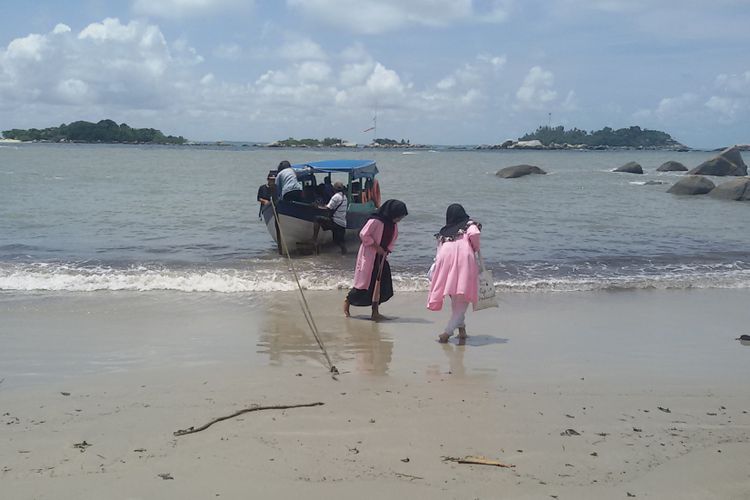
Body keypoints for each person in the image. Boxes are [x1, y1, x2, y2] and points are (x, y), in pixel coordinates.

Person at [344, 199, 408, 321]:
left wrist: (387, 250)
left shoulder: (393, 224)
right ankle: (347, 301)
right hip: (370, 255)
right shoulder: (375, 221)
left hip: (382, 257)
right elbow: (363, 234)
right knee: (365, 285)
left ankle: (375, 312)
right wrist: (376, 247)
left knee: (382, 285)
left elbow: (393, 238)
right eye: (398, 217)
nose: (399, 220)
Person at [427, 204, 481, 343]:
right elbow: (475, 233)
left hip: (444, 259)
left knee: (456, 297)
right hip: (464, 259)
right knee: (462, 299)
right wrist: (475, 247)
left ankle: (462, 331)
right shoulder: (469, 225)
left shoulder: (445, 231)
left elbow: (438, 249)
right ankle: (447, 333)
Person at [312, 181, 348, 254]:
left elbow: (327, 209)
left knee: (317, 219)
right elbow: (332, 206)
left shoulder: (335, 197)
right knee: (338, 242)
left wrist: (317, 206)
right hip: (342, 224)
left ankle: (314, 239)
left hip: (335, 222)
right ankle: (344, 255)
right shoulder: (344, 197)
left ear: (334, 189)